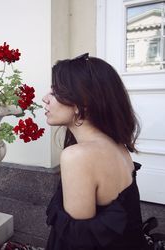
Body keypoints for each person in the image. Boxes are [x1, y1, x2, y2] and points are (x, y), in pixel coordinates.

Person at [42, 53, 147, 250]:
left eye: (55, 92)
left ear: (82, 102)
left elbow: (77, 244)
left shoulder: (78, 156)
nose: (45, 98)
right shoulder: (115, 143)